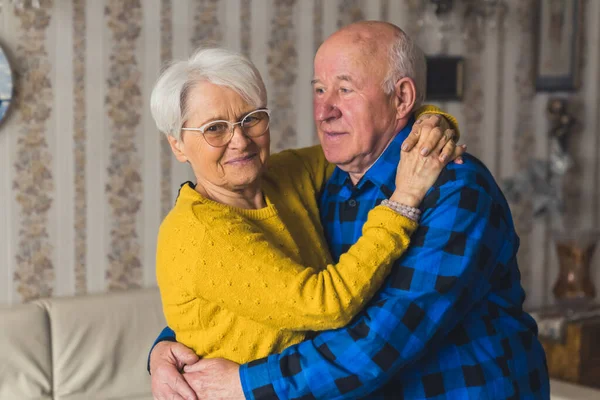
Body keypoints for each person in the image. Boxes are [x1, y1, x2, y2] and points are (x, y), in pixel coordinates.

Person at [150, 21, 549, 400]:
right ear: (178, 145)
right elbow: (248, 294)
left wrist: (245, 383)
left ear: (402, 98)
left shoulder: (454, 190)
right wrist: (167, 348)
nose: (325, 111)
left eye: (345, 90)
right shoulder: (332, 182)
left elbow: (379, 341)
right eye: (320, 90)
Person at [151, 46, 462, 368]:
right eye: (214, 128)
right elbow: (326, 304)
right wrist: (403, 201)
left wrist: (431, 123)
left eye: (251, 119)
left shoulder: (282, 175)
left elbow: (368, 143)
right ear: (177, 144)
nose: (240, 141)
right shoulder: (199, 233)